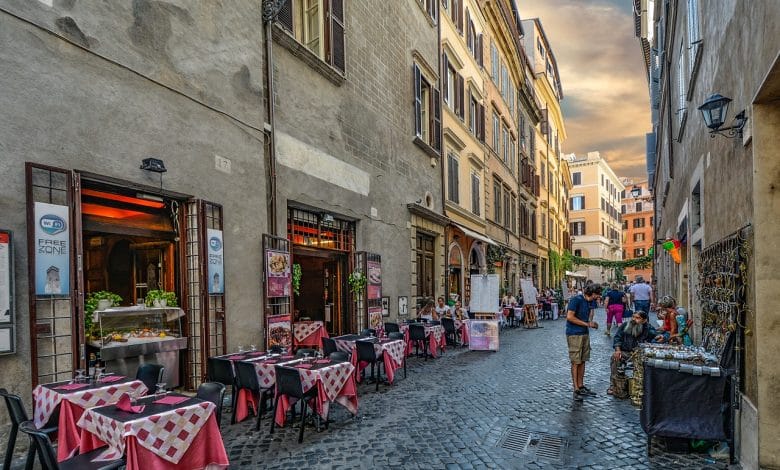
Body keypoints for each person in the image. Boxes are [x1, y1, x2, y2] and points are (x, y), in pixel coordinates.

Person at [609, 310, 657, 396]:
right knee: (615, 357)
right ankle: (614, 385)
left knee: (648, 362)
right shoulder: (625, 325)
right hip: (626, 352)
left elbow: (657, 337)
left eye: (637, 318)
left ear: (644, 320)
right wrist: (617, 350)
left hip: (640, 354)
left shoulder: (648, 328)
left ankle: (642, 386)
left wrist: (659, 338)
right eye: (633, 317)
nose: (634, 319)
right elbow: (617, 338)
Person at [565, 284, 600, 401]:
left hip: (584, 333)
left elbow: (590, 313)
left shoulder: (590, 302)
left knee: (583, 360)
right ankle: (576, 388)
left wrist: (591, 321)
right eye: (597, 294)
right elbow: (570, 317)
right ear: (593, 293)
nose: (598, 297)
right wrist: (587, 324)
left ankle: (581, 385)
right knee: (576, 361)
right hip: (574, 333)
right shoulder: (576, 300)